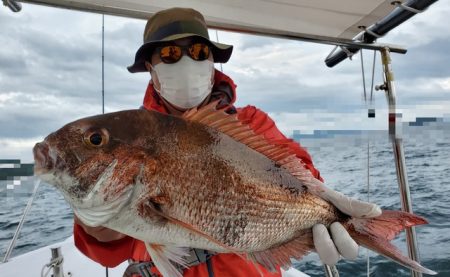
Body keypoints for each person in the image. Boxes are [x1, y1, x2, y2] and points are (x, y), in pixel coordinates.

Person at [73, 7, 381, 277]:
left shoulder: (249, 123)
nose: (185, 61)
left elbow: (297, 173)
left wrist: (319, 201)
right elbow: (106, 252)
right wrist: (96, 226)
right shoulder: (127, 139)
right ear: (151, 70)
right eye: (169, 54)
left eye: (198, 52)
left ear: (211, 63)